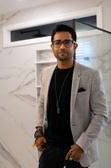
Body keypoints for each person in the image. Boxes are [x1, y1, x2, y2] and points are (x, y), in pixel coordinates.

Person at [34, 24, 108, 168]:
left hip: (75, 149)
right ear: (52, 46)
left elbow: (101, 115)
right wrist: (38, 132)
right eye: (58, 42)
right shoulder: (46, 73)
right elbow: (42, 103)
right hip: (49, 147)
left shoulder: (91, 75)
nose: (62, 47)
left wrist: (82, 145)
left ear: (75, 46)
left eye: (67, 42)